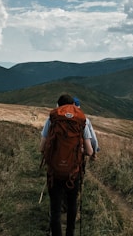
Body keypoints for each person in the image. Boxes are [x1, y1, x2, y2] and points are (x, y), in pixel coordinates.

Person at [40, 94, 93, 236]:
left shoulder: (52, 119)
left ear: (58, 106)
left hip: (54, 172)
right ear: (73, 106)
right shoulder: (82, 121)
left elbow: (42, 147)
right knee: (71, 204)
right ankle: (70, 233)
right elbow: (89, 151)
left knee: (55, 207)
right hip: (73, 171)